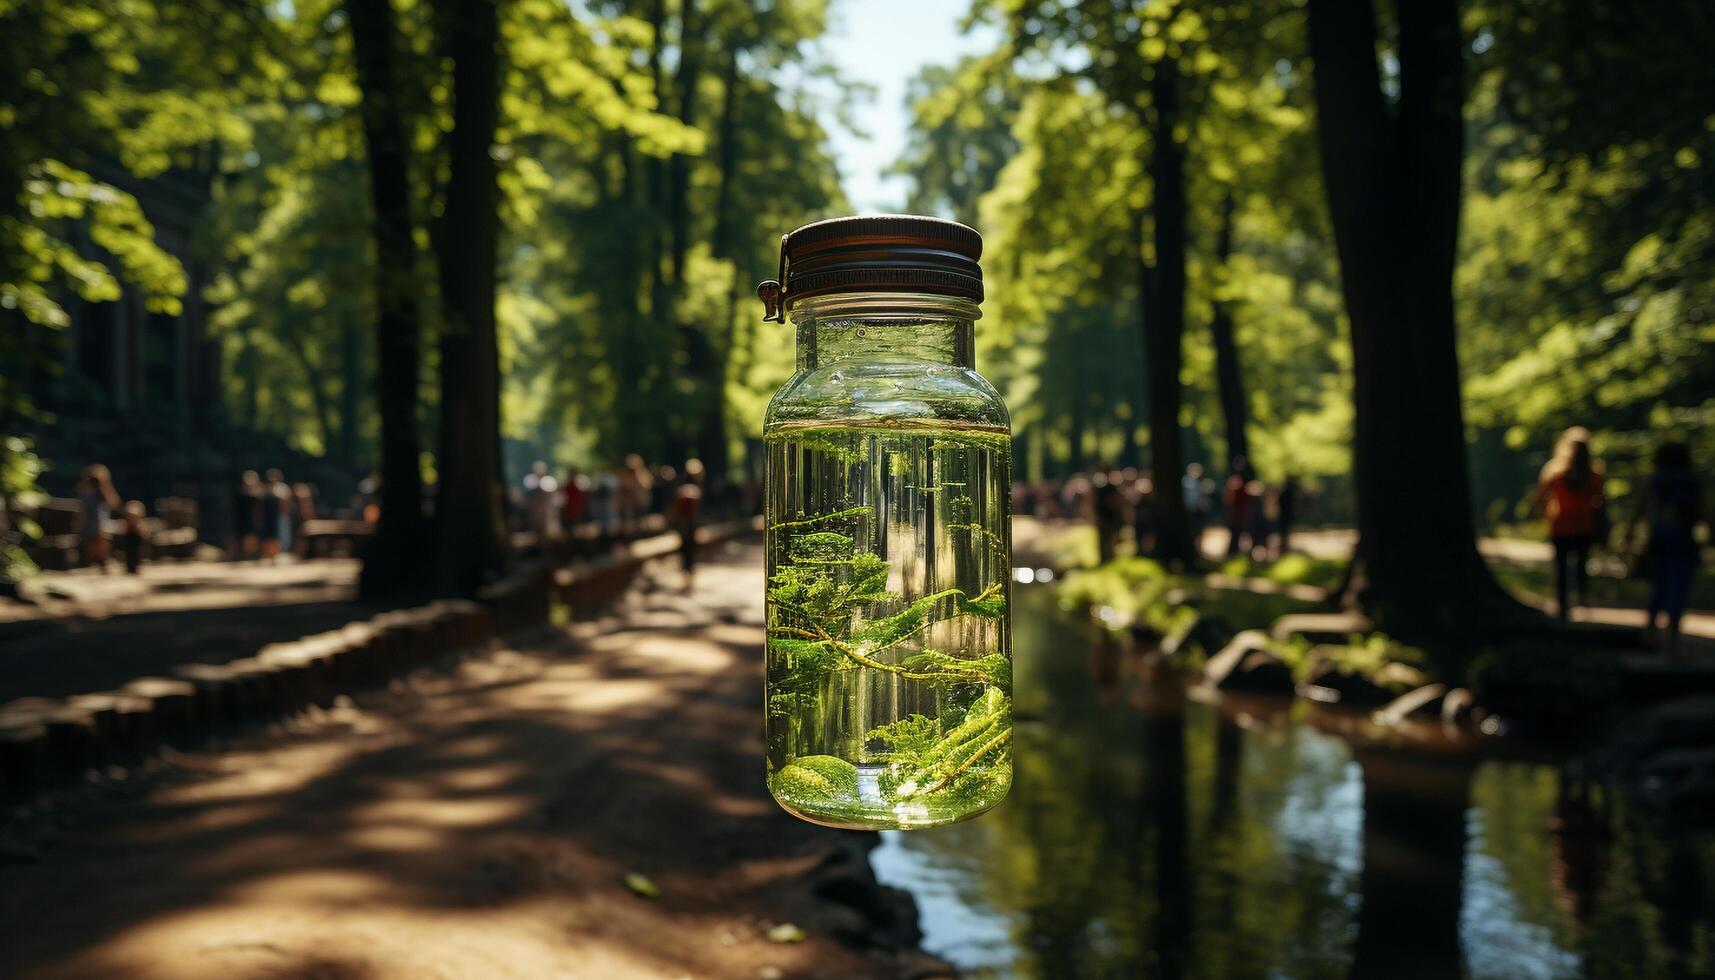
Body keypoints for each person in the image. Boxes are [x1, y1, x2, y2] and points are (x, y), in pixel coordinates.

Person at [1631, 441, 1703, 656]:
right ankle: (1671, 640)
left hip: (1660, 541)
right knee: (1679, 589)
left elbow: (1640, 508)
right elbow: (1703, 512)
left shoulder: (1655, 481)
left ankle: (1651, 634)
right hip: (1684, 542)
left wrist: (1629, 533)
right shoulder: (1691, 483)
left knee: (1659, 587)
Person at [1536, 429, 1605, 620]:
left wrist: (1545, 515)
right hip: (1584, 526)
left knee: (1561, 568)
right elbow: (1600, 502)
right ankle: (1581, 598)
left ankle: (1562, 606)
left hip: (1561, 526)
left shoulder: (1555, 472)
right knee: (1581, 565)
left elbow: (1540, 497)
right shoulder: (1594, 474)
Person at [77, 464, 121, 572]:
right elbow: (82, 506)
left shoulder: (104, 490)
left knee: (102, 540)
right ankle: (93, 562)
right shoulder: (86, 490)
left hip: (102, 523)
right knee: (91, 544)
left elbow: (114, 503)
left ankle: (103, 561)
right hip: (89, 522)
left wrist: (104, 486)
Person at [673, 459, 705, 592]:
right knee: (690, 550)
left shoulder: (681, 489)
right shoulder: (696, 490)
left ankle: (685, 576)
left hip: (682, 524)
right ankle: (689, 577)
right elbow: (697, 511)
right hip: (691, 524)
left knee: (684, 549)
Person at [120, 500, 147, 575]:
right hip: (130, 541)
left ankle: (135, 567)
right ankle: (130, 567)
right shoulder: (126, 527)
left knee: (136, 554)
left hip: (135, 542)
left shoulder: (140, 527)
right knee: (129, 554)